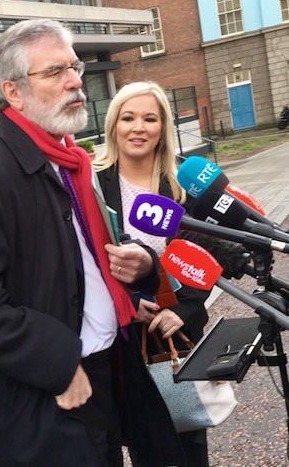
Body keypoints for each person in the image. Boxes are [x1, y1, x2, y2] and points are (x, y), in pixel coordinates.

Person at [0, 19, 185, 467]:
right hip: (49, 397)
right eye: (55, 72)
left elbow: (79, 264)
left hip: (109, 371)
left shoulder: (70, 160)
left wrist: (138, 274)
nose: (75, 81)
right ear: (13, 92)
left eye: (74, 66)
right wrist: (56, 364)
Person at [93, 81, 211, 466]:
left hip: (175, 330)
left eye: (149, 118)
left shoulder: (181, 189)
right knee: (140, 443)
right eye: (128, 118)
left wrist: (187, 310)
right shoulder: (94, 186)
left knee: (187, 440)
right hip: (121, 335)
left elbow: (203, 258)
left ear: (163, 127)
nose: (138, 127)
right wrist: (126, 302)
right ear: (113, 126)